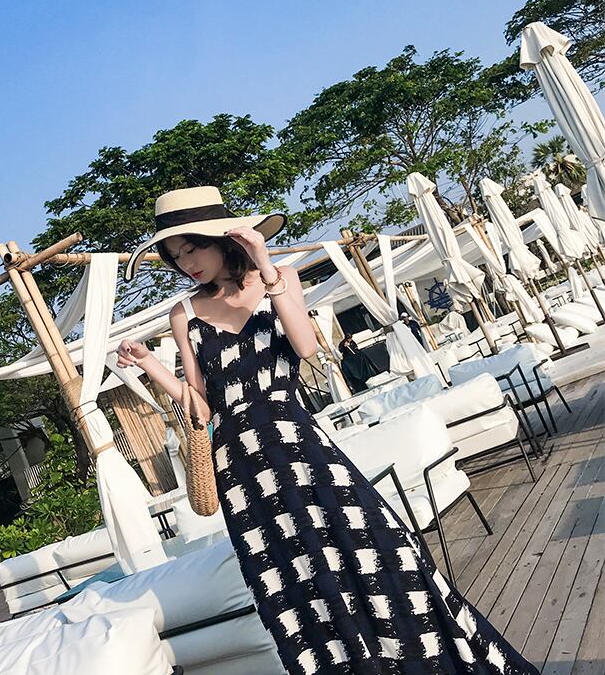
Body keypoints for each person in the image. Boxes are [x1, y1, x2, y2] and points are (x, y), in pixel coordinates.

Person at [118, 185, 539, 675]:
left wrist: (265, 265)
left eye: (192, 248)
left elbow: (305, 347)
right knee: (296, 587)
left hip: (300, 448)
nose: (186, 263)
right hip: (241, 472)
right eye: (175, 256)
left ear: (223, 239)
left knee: (378, 554)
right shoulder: (184, 313)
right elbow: (201, 405)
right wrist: (150, 365)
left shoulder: (280, 279)